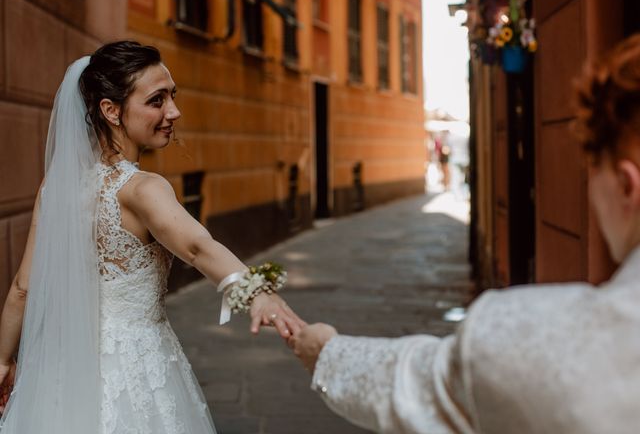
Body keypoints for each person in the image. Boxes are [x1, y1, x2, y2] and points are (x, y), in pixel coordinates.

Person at [290, 34, 640, 433]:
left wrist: (326, 353)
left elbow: (413, 386)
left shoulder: (529, 335)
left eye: (594, 171)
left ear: (627, 186)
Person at [0, 41, 305, 433]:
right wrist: (254, 289)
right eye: (157, 101)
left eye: (172, 97)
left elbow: (23, 287)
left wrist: (4, 360)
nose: (173, 112)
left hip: (61, 370)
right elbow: (197, 246)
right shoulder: (143, 188)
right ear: (111, 111)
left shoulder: (55, 188)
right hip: (135, 369)